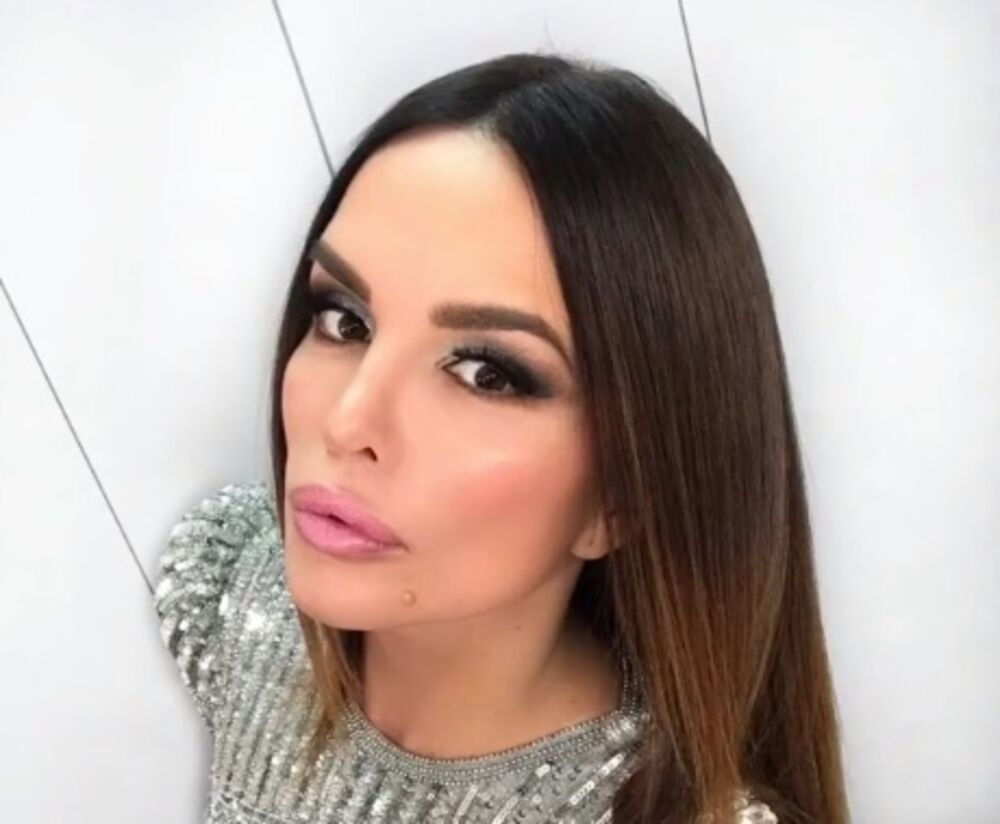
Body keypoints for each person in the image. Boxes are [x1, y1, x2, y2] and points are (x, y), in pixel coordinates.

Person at [154, 51, 848, 823]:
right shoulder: (237, 601)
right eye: (344, 320)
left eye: (486, 373)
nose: (347, 421)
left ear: (622, 495)